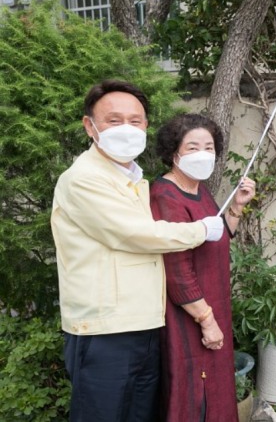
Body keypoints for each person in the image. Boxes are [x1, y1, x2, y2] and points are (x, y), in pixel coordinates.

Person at [51, 80, 225, 422]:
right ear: (90, 126)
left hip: (145, 324)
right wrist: (201, 230)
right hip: (104, 329)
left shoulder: (133, 180)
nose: (127, 129)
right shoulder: (83, 178)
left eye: (135, 120)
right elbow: (134, 234)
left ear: (146, 125)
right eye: (114, 121)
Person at [150, 113, 255, 422]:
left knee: (216, 388)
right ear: (174, 152)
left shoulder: (199, 189)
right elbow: (177, 270)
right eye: (193, 147)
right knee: (195, 393)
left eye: (209, 147)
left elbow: (216, 237)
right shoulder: (165, 195)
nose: (203, 154)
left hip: (211, 304)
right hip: (189, 314)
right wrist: (206, 320)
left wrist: (236, 207)